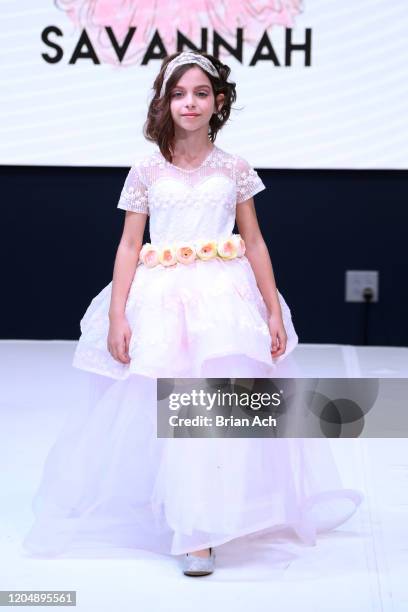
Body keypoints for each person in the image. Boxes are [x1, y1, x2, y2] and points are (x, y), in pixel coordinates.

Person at [22, 51, 363, 577]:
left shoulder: (235, 167)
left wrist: (273, 311)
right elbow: (130, 244)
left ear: (218, 101)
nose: (190, 102)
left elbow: (253, 240)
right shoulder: (146, 169)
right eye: (179, 93)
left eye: (201, 92)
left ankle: (203, 523)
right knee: (163, 403)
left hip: (223, 296)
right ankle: (185, 518)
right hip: (160, 297)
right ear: (165, 101)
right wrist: (117, 315)